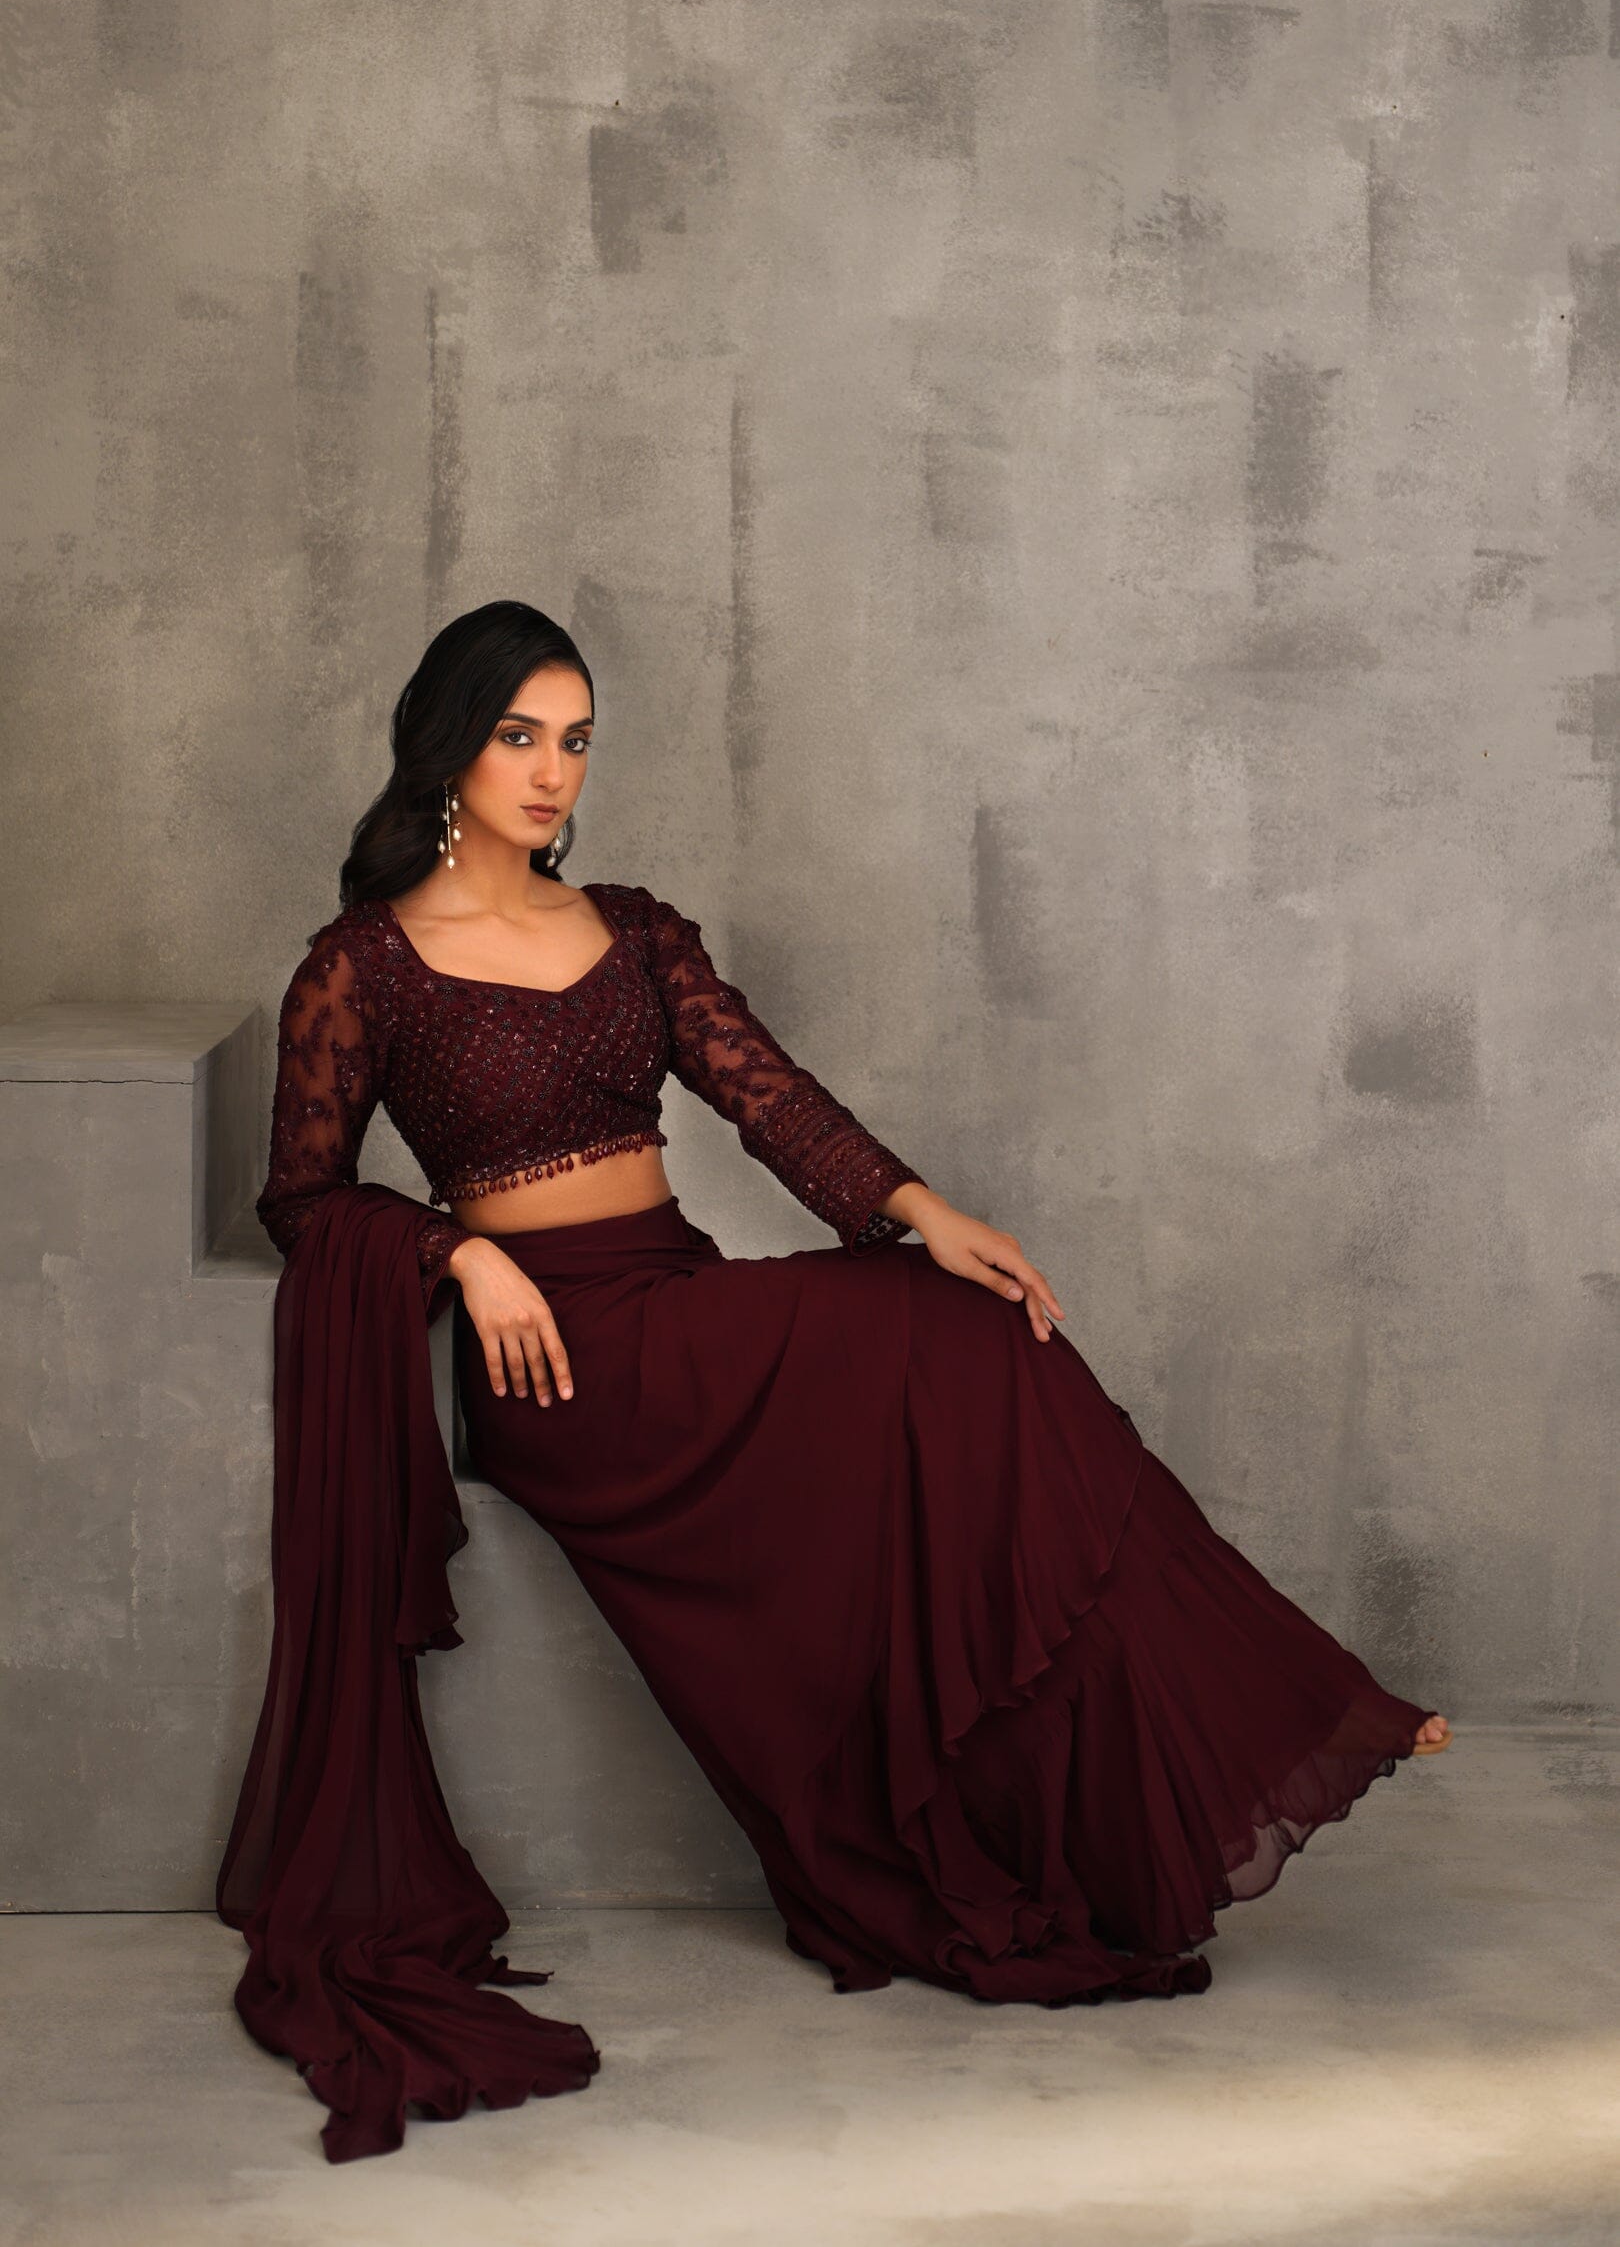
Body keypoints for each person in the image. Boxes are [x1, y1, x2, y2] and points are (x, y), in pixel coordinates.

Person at [223, 598, 1451, 2161]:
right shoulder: (364, 968)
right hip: (566, 1364)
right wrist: (454, 1253)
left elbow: (773, 1100)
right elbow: (304, 1198)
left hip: (676, 1298)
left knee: (979, 1336)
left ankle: (1244, 1719)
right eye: (519, 735)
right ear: (447, 745)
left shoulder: (635, 930)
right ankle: (1288, 1700)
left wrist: (924, 1211)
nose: (550, 771)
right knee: (950, 1358)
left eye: (576, 740)